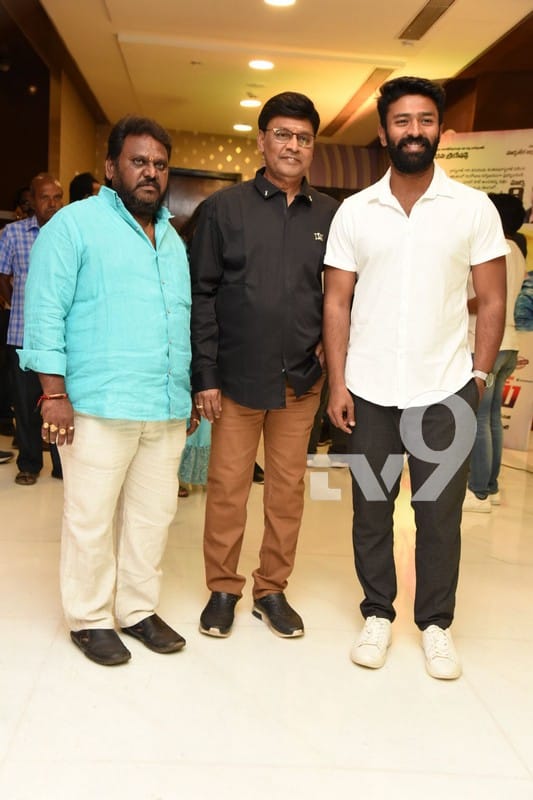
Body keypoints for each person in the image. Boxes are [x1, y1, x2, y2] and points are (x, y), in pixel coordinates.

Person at [323, 76, 508, 680]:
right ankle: (378, 613)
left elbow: (492, 297)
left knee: (439, 516)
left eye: (425, 120)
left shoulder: (472, 209)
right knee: (370, 509)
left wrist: (478, 377)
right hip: (369, 392)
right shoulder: (356, 211)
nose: (414, 131)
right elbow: (337, 302)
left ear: (440, 131)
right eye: (402, 121)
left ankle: (435, 625)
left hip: (443, 391)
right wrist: (338, 383)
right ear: (384, 132)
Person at [19, 115, 193, 667]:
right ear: (111, 167)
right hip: (96, 406)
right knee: (90, 517)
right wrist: (54, 395)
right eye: (139, 161)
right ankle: (90, 617)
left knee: (152, 517)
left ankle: (137, 609)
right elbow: (44, 313)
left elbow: (179, 321)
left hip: (163, 407)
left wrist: (184, 393)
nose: (150, 173)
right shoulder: (73, 226)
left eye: (160, 164)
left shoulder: (171, 239)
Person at [191, 91, 338, 638]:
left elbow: (345, 293)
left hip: (301, 380)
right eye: (282, 134)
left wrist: (332, 343)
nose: (293, 145)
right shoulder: (224, 209)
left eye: (304, 138)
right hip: (235, 379)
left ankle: (271, 589)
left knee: (287, 492)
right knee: (228, 488)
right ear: (261, 141)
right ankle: (222, 588)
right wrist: (205, 375)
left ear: (312, 147)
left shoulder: (331, 214)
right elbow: (201, 294)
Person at [464, 193, 527, 512]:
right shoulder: (517, 250)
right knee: (491, 419)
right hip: (508, 343)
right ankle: (490, 486)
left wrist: (455, 304)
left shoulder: (494, 248)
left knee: (478, 417)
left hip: (486, 343)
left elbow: (485, 299)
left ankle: (478, 492)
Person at [0, 173, 64, 485]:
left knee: (61, 401)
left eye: (57, 197)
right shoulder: (12, 233)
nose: (52, 203)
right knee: (25, 405)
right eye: (45, 197)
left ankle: (62, 466)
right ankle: (29, 464)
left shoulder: (69, 232)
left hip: (61, 338)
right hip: (22, 334)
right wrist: (20, 306)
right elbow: (2, 275)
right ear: (32, 200)